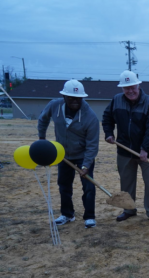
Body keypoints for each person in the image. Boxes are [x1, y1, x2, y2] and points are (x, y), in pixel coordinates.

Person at [102, 70, 149, 224]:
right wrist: (109, 133)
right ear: (122, 88)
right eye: (126, 88)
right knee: (127, 182)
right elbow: (106, 117)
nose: (130, 91)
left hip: (147, 152)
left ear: (138, 85)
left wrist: (144, 148)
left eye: (132, 87)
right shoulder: (116, 100)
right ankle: (129, 209)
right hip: (124, 150)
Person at [38, 79, 100, 228]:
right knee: (64, 185)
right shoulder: (54, 105)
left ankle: (89, 217)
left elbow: (92, 145)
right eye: (71, 98)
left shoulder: (90, 117)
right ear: (64, 97)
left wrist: (85, 165)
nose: (75, 101)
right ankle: (67, 214)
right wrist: (42, 138)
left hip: (83, 156)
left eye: (78, 98)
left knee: (88, 187)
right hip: (63, 155)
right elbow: (43, 119)